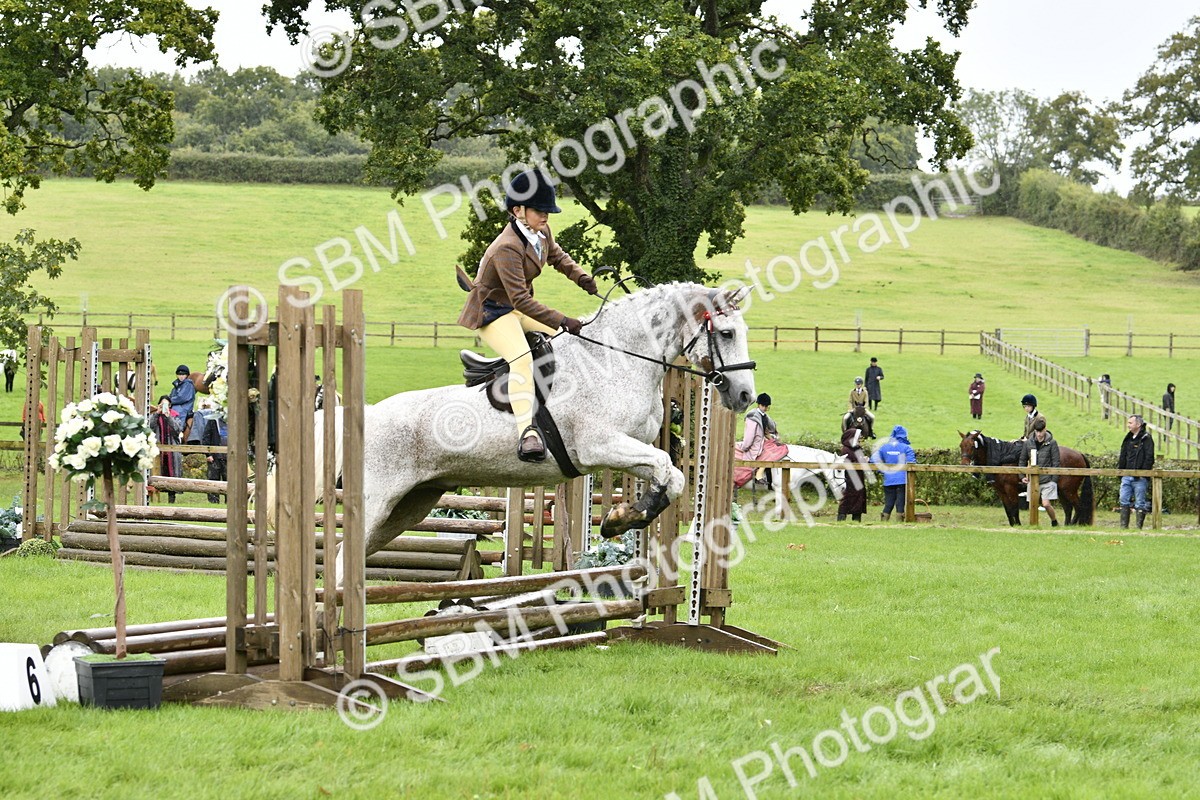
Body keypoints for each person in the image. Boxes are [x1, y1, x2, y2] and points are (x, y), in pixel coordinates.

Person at [456, 169, 597, 461]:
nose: (546, 216)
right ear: (518, 210)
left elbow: (557, 256)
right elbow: (520, 298)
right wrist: (563, 320)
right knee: (521, 359)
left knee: (563, 340)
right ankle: (527, 433)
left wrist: (582, 278)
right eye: (540, 210)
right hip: (493, 312)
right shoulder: (506, 247)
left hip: (516, 307)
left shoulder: (540, 231)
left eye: (548, 210)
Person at [735, 393, 786, 489]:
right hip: (754, 446)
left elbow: (766, 431)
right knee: (769, 453)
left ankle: (763, 474)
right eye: (764, 406)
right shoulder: (752, 417)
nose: (766, 408)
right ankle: (759, 475)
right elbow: (749, 436)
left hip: (762, 442)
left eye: (767, 406)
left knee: (777, 449)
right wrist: (745, 447)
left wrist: (774, 439)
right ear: (759, 405)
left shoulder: (764, 416)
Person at [1018, 419, 1060, 527]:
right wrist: (1022, 476)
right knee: (1032, 505)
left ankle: (1054, 521)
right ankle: (1034, 526)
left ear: (1045, 429)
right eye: (1037, 431)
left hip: (1047, 480)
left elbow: (1056, 462)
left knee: (1046, 504)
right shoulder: (1028, 443)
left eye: (1041, 431)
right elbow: (1022, 460)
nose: (1039, 434)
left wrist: (1054, 480)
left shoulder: (1052, 443)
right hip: (1032, 480)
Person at [870, 424, 916, 522]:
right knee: (900, 503)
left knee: (889, 503)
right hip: (902, 481)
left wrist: (882, 470)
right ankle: (899, 522)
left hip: (888, 480)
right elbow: (912, 463)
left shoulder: (884, 447)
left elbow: (873, 460)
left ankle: (883, 523)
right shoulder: (907, 448)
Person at [1117, 414, 1154, 529]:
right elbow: (1123, 455)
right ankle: (1124, 527)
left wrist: (1143, 472)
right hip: (1126, 475)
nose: (1128, 425)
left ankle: (1138, 528)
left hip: (1140, 477)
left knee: (1140, 503)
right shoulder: (1128, 438)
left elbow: (1149, 457)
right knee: (1123, 500)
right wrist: (1121, 470)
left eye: (1130, 423)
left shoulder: (1146, 438)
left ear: (1138, 424)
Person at [148, 394, 184, 503]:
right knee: (158, 472)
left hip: (172, 449)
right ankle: (155, 498)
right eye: (162, 404)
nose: (164, 407)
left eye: (166, 404)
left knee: (172, 472)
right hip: (159, 449)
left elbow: (177, 430)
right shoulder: (155, 416)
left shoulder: (175, 416)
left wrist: (169, 417)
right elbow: (150, 428)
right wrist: (156, 414)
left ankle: (172, 498)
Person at [836, 427, 869, 522]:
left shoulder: (857, 448)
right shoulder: (846, 450)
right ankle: (841, 519)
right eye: (858, 436)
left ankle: (856, 519)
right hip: (850, 477)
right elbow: (848, 463)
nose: (860, 438)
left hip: (858, 477)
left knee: (859, 497)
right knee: (847, 498)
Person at [202, 413, 229, 503]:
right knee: (213, 480)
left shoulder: (233, 419)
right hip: (215, 456)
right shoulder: (213, 421)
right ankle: (214, 502)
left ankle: (229, 502)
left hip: (229, 457)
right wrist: (208, 454)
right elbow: (206, 438)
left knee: (229, 480)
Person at [169, 364, 197, 438]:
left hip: (185, 407)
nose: (181, 376)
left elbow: (182, 398)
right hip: (176, 405)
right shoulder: (177, 385)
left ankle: (178, 431)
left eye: (183, 374)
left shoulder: (188, 385)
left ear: (187, 375)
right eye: (179, 374)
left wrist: (169, 401)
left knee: (177, 411)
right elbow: (171, 395)